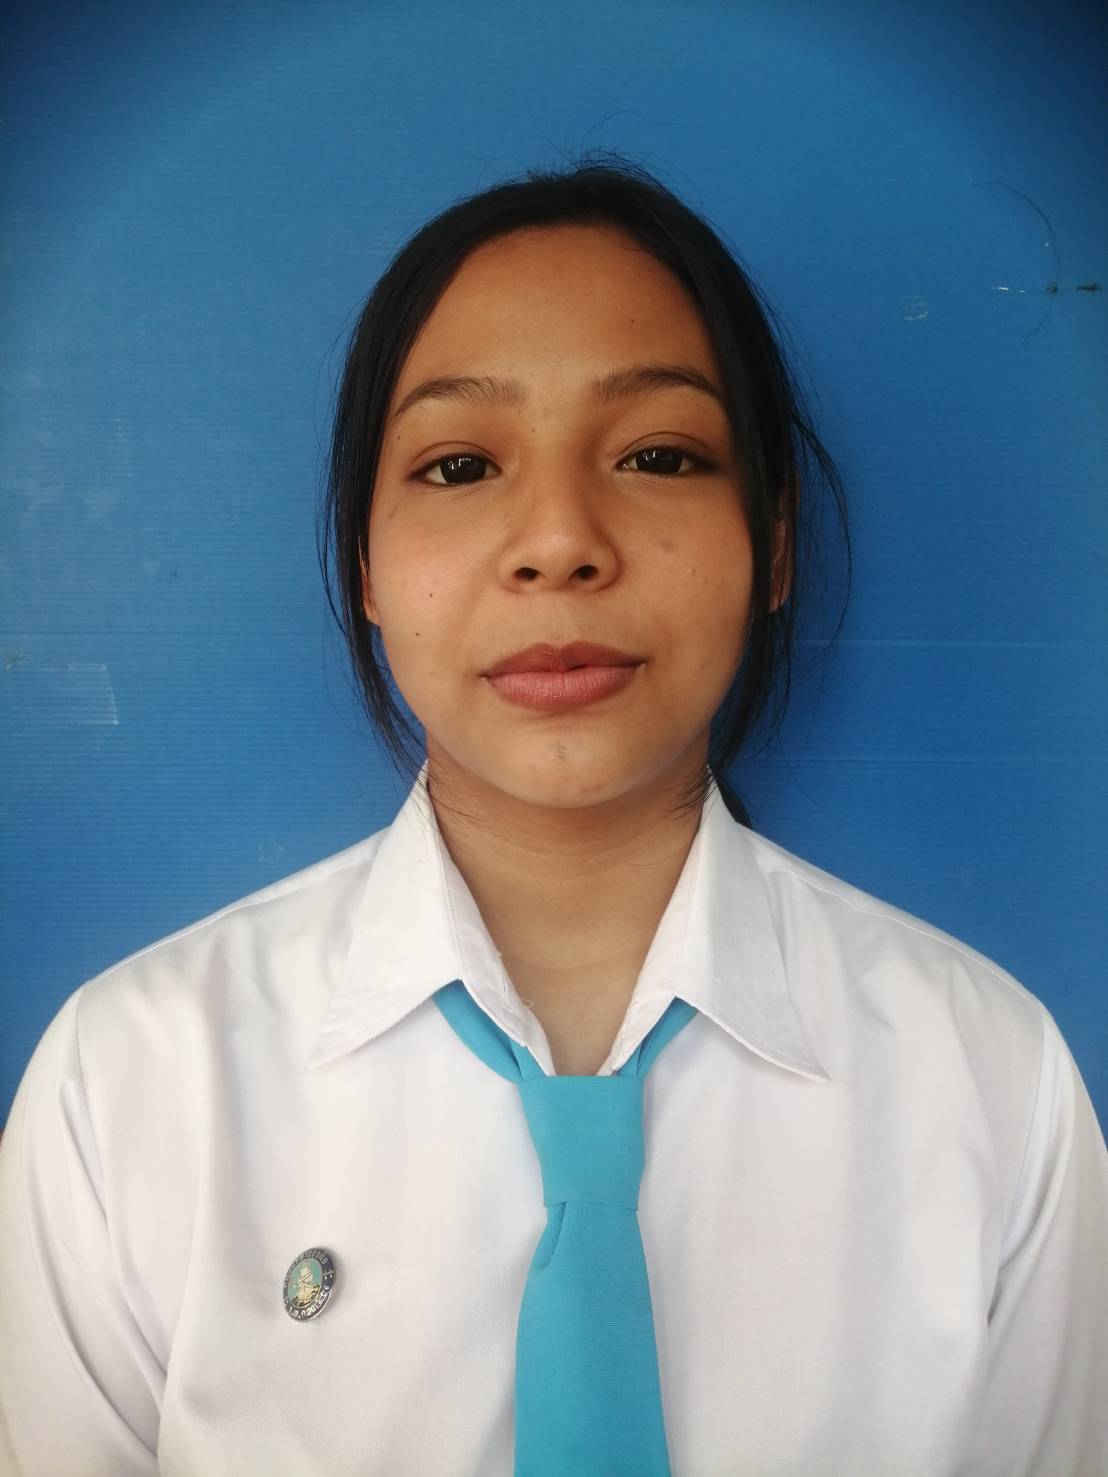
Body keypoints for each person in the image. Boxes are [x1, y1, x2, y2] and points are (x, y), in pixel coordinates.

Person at [1, 153, 1105, 1477]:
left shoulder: (990, 1082)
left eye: (658, 454)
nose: (560, 540)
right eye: (461, 464)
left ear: (774, 543)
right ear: (367, 561)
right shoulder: (131, 1082)